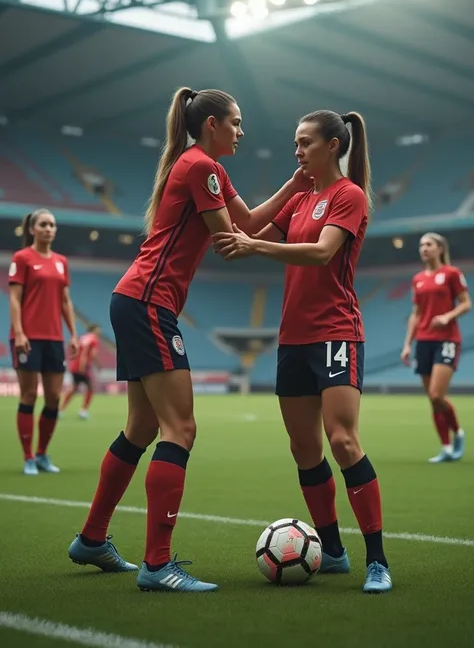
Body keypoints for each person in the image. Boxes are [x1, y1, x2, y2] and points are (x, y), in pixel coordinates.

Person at [68, 87, 313, 592]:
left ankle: (92, 538)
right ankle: (156, 565)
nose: (242, 131)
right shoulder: (199, 166)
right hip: (148, 303)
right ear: (211, 126)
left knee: (140, 427)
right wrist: (295, 248)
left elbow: (244, 222)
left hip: (138, 299)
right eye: (236, 123)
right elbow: (231, 241)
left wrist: (292, 186)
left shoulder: (208, 168)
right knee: (180, 429)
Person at [213, 110, 392, 594]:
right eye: (295, 143)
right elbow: (253, 228)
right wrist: (250, 216)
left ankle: (377, 560)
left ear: (333, 145)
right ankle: (333, 552)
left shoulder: (347, 195)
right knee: (304, 449)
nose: (298, 151)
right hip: (292, 338)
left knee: (342, 441)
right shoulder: (303, 197)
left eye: (305, 143)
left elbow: (319, 253)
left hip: (336, 333)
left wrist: (254, 247)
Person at [9, 208, 78, 475]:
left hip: (54, 338)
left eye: (52, 225)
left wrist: (73, 335)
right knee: (28, 396)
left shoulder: (61, 261)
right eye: (43, 224)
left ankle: (42, 454)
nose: (49, 228)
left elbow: (65, 301)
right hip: (28, 337)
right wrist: (19, 332)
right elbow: (15, 298)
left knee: (52, 399)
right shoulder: (22, 258)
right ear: (32, 229)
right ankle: (27, 457)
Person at [401, 233, 471, 463]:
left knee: (436, 394)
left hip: (447, 339)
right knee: (432, 400)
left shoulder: (451, 274)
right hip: (423, 340)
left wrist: (447, 316)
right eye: (421, 245)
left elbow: (466, 303)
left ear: (440, 248)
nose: (424, 248)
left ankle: (458, 433)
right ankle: (446, 447)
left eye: (429, 244)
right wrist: (407, 345)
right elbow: (416, 313)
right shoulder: (418, 279)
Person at [61, 324, 101, 420]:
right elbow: (91, 354)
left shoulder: (83, 338)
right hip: (83, 367)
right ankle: (83, 411)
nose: (100, 332)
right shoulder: (93, 339)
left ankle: (60, 410)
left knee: (74, 387)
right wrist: (98, 365)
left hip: (74, 366)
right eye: (98, 330)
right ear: (94, 330)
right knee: (90, 388)